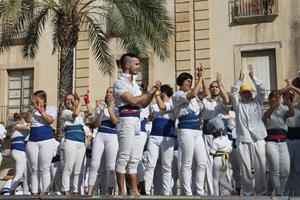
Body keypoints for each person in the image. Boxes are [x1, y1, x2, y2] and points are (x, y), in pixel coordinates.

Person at [113, 53, 160, 195]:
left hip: (136, 121)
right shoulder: (119, 83)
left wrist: (152, 93)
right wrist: (149, 92)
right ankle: (122, 190)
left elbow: (143, 104)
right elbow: (132, 100)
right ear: (127, 65)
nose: (138, 67)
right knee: (124, 155)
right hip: (126, 119)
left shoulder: (135, 84)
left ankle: (134, 190)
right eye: (137, 64)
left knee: (135, 158)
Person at [230, 65, 267, 196]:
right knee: (245, 167)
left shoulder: (258, 101)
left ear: (252, 92)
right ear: (241, 94)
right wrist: (240, 80)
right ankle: (247, 193)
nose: (246, 93)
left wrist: (253, 77)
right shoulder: (237, 104)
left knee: (261, 166)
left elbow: (262, 90)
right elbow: (232, 92)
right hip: (243, 139)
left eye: (248, 92)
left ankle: (262, 192)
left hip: (258, 138)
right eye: (244, 92)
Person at [172, 65, 207, 195]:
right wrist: (200, 78)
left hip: (197, 130)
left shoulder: (194, 95)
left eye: (191, 82)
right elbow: (192, 94)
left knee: (202, 162)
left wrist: (201, 78)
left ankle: (200, 191)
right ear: (181, 83)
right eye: (188, 82)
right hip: (185, 129)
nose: (190, 84)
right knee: (187, 163)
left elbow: (205, 93)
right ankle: (187, 192)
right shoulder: (178, 95)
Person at [200, 72, 230, 195]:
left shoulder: (222, 103)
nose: (214, 88)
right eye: (212, 87)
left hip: (222, 137)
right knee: (209, 164)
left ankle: (226, 192)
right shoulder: (205, 102)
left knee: (224, 164)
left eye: (216, 86)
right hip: (207, 135)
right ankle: (212, 193)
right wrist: (201, 76)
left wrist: (219, 82)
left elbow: (227, 99)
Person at [144, 84, 176, 195]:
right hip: (154, 137)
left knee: (167, 166)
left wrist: (156, 93)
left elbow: (163, 107)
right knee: (150, 165)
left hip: (168, 138)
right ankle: (146, 191)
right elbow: (149, 115)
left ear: (163, 92)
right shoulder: (153, 106)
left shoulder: (173, 105)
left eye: (159, 92)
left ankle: (166, 193)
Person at [88, 87, 119, 195]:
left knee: (110, 166)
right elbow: (96, 124)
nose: (108, 94)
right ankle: (89, 192)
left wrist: (109, 108)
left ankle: (110, 194)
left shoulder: (118, 107)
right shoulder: (100, 107)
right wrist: (101, 111)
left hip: (113, 136)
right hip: (100, 135)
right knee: (94, 164)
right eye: (107, 92)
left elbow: (115, 122)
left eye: (111, 92)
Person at [263, 90, 294, 196]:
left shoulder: (283, 109)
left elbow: (291, 113)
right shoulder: (265, 108)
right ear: (270, 99)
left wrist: (289, 103)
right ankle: (279, 194)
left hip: (283, 142)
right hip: (271, 142)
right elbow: (266, 116)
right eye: (274, 97)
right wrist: (274, 106)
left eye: (278, 97)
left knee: (285, 170)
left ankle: (270, 192)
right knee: (274, 170)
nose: (276, 99)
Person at [61, 91, 92, 195]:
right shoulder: (65, 112)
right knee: (68, 167)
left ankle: (75, 191)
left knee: (78, 169)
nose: (69, 101)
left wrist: (86, 100)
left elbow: (90, 112)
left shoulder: (80, 114)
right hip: (70, 142)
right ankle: (65, 190)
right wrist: (79, 102)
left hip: (81, 143)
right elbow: (75, 114)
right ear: (65, 102)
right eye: (67, 100)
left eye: (71, 99)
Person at [26, 90, 57, 195]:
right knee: (34, 169)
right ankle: (34, 193)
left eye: (37, 98)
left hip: (46, 141)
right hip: (32, 142)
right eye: (34, 98)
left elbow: (49, 120)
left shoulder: (51, 109)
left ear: (43, 100)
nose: (35, 100)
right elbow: (28, 120)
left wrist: (40, 109)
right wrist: (32, 108)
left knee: (44, 168)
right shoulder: (31, 110)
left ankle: (45, 192)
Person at [206, 117, 233, 196]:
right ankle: (231, 190)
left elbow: (212, 152)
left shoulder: (215, 141)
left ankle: (216, 195)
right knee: (222, 180)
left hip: (217, 160)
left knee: (215, 179)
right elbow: (230, 149)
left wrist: (211, 152)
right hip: (225, 160)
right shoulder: (227, 140)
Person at [284, 79, 300, 196]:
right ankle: (287, 194)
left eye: (292, 95)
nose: (290, 96)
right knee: (286, 169)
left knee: (298, 169)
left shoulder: (298, 107)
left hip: (298, 140)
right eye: (288, 95)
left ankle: (297, 194)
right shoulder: (281, 108)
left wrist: (291, 87)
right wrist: (286, 88)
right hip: (286, 140)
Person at [10, 113, 30, 195]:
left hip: (18, 151)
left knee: (24, 174)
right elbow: (29, 128)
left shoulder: (17, 125)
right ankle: (11, 192)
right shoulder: (18, 125)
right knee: (19, 174)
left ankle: (25, 192)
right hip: (19, 150)